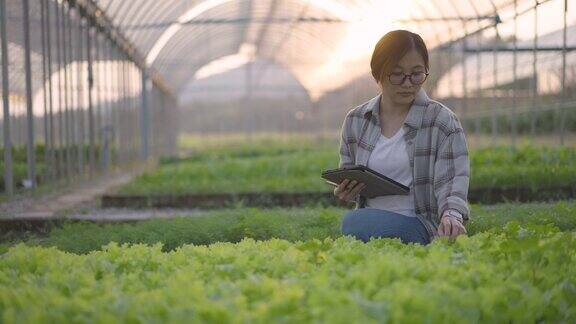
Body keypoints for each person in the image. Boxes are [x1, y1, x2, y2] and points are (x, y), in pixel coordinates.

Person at [334, 30, 470, 246]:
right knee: (355, 222)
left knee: (354, 223)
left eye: (416, 74)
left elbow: (453, 180)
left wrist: (451, 215)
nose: (408, 83)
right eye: (397, 74)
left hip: (420, 224)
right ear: (378, 74)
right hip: (370, 218)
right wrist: (346, 191)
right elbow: (349, 175)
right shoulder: (357, 120)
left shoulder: (442, 121)